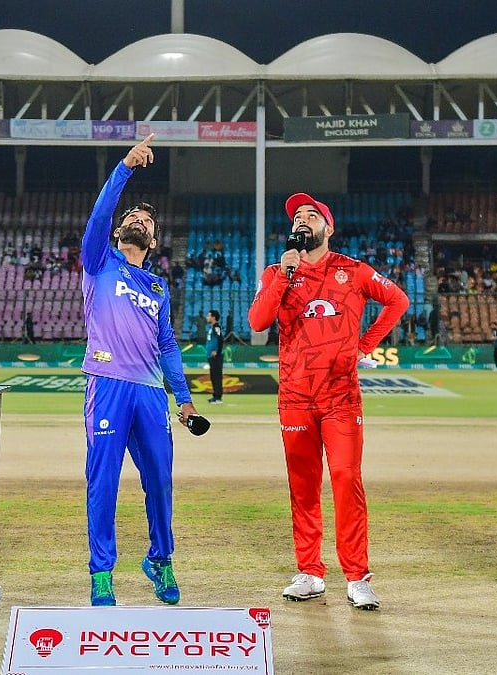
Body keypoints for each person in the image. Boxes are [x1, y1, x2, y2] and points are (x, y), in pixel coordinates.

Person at [248, 192, 410, 611]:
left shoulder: (352, 271)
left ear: (328, 227)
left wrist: (365, 345)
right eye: (297, 216)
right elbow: (258, 322)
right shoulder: (275, 272)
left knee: (345, 480)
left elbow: (398, 300)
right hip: (295, 397)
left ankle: (357, 577)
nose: (302, 219)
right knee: (303, 488)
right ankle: (310, 573)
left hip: (341, 398)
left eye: (310, 215)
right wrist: (285, 275)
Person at [80, 134, 199, 607]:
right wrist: (125, 166)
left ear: (152, 241)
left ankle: (160, 559)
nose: (136, 220)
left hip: (151, 393)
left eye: (146, 221)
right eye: (131, 217)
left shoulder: (157, 286)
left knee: (161, 482)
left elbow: (167, 345)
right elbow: (99, 214)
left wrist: (184, 399)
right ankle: (102, 574)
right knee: (103, 480)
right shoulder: (98, 261)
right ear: (117, 232)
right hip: (107, 385)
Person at [205, 309, 224, 404]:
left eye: (208, 316)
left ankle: (218, 397)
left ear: (213, 317)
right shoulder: (212, 327)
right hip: (211, 356)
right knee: (213, 376)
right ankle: (215, 396)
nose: (207, 317)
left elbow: (221, 339)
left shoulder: (216, 327)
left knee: (217, 376)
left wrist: (217, 351)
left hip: (216, 356)